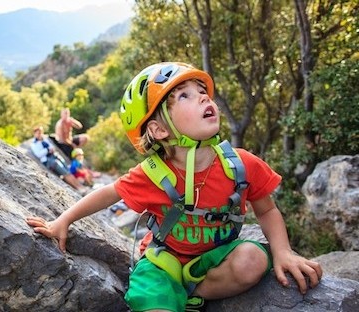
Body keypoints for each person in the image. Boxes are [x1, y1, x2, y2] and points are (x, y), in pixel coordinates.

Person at [26, 62, 322, 312]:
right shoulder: (154, 173)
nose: (204, 99)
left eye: (203, 93)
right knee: (152, 294)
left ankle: (194, 293)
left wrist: (283, 252)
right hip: (161, 262)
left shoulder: (241, 164)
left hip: (212, 261)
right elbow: (107, 193)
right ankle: (171, 295)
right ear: (159, 130)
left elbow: (267, 210)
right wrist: (62, 221)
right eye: (185, 96)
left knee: (254, 259)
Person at [30, 126, 88, 194]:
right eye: (38, 133)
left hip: (55, 156)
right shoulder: (34, 144)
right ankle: (78, 188)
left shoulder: (45, 139)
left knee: (68, 171)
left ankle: (81, 186)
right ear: (35, 134)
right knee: (65, 173)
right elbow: (39, 154)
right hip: (49, 160)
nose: (39, 134)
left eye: (40, 132)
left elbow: (51, 146)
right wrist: (47, 150)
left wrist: (51, 149)